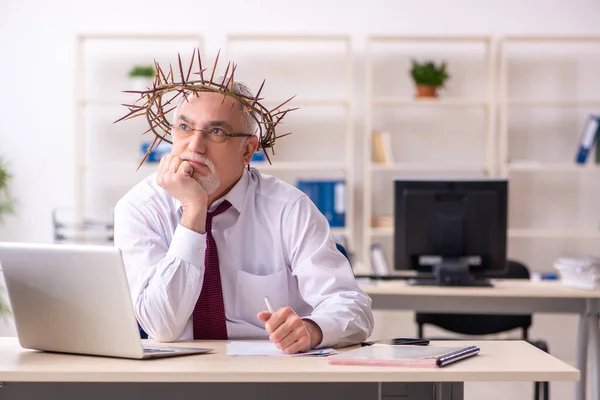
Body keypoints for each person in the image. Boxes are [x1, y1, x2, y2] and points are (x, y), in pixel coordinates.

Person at [113, 80, 374, 354]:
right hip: (173, 379)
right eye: (184, 127)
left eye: (216, 132)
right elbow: (161, 326)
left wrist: (313, 329)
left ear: (248, 150)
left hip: (270, 378)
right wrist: (194, 211)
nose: (195, 146)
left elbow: (352, 306)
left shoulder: (289, 209)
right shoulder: (140, 208)